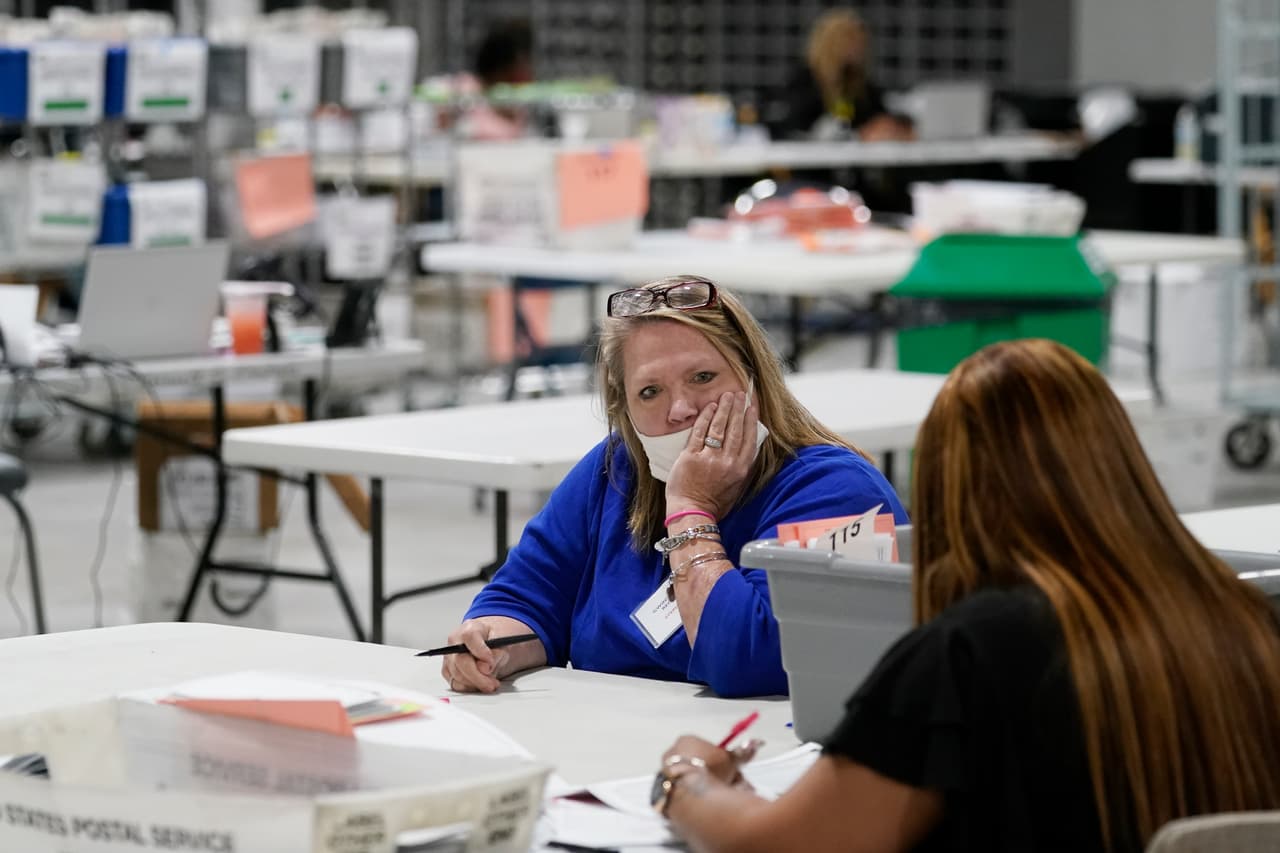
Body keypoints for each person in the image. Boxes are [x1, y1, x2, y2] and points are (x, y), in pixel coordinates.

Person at [650, 338, 1280, 851]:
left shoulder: (972, 651)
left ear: (950, 486)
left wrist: (687, 779)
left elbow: (782, 847)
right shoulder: (1240, 616)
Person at [441, 276, 907, 698]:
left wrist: (690, 510)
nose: (681, 408)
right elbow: (527, 599)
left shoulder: (840, 493)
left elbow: (748, 662)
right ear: (625, 412)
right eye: (650, 392)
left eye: (703, 378)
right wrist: (488, 644)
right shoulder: (613, 472)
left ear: (753, 381)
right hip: (612, 750)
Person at [766, 9, 914, 143]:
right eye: (849, 40)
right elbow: (793, 127)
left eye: (861, 41)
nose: (857, 47)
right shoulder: (803, 82)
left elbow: (881, 116)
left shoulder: (860, 86)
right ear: (829, 43)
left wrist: (889, 126)